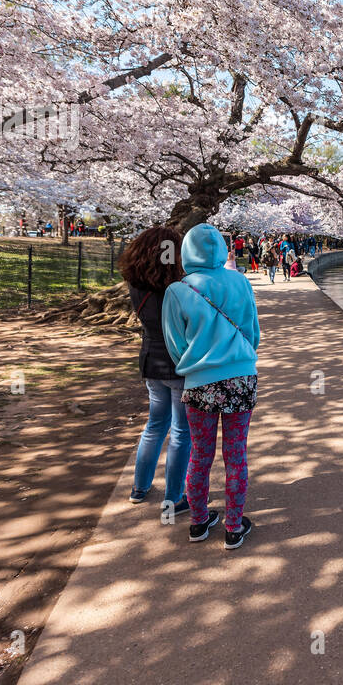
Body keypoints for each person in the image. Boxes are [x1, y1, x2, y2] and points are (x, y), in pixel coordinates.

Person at [162, 223, 261, 550]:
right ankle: (234, 527)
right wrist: (240, 357)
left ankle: (199, 522)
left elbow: (174, 343)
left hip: (199, 383)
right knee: (235, 455)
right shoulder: (240, 281)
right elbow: (252, 330)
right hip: (240, 378)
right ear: (221, 249)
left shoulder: (177, 291)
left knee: (200, 455)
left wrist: (194, 362)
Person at [119, 226, 192, 516]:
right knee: (180, 431)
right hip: (180, 365)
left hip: (151, 361)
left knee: (154, 426)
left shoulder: (136, 287)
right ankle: (174, 496)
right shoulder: (182, 288)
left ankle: (139, 487)